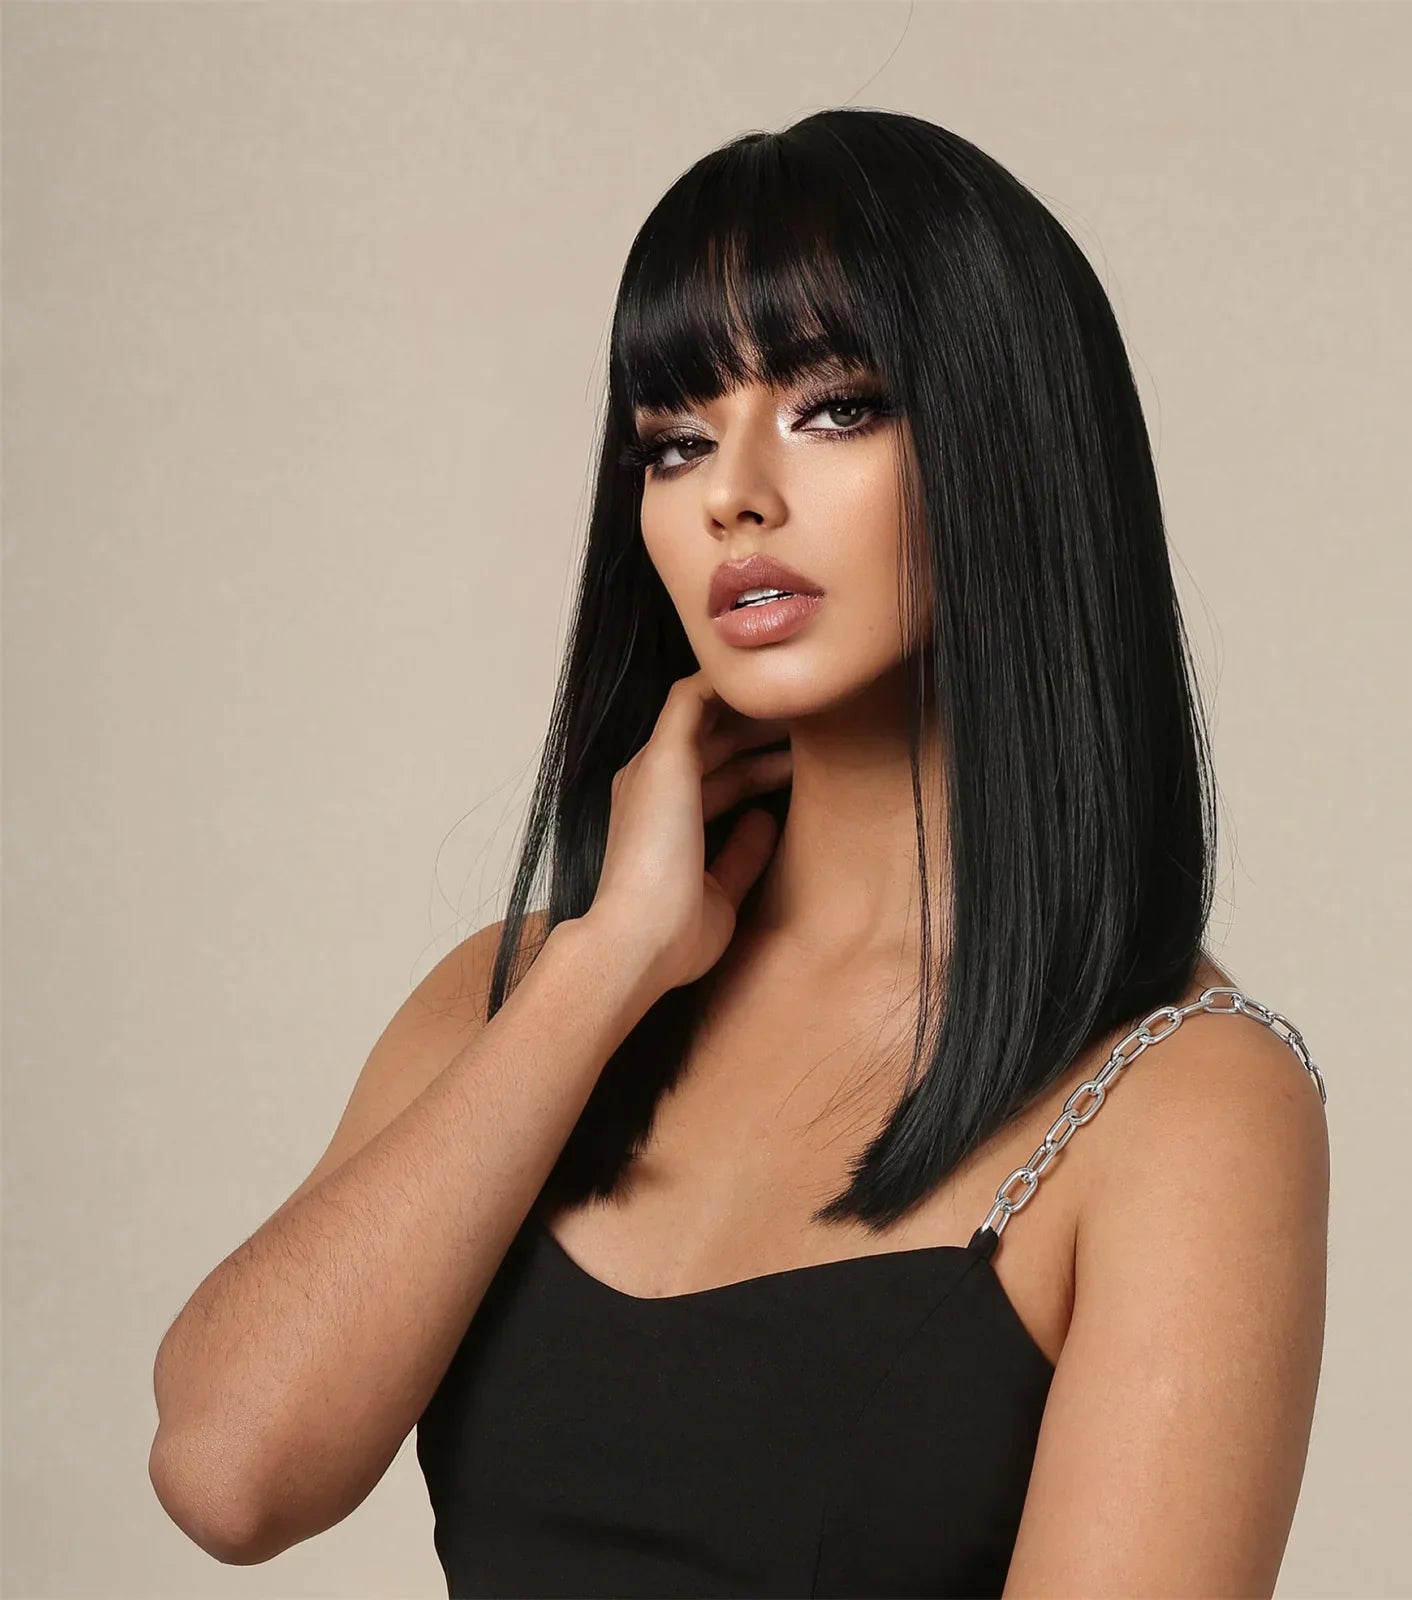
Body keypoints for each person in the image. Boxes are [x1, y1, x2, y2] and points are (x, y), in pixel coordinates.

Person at [148, 107, 1331, 1598]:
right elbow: (229, 1473)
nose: (733, 493)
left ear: (1016, 450)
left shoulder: (1187, 1101)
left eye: (836, 408)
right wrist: (607, 968)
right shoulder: (527, 992)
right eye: (677, 441)